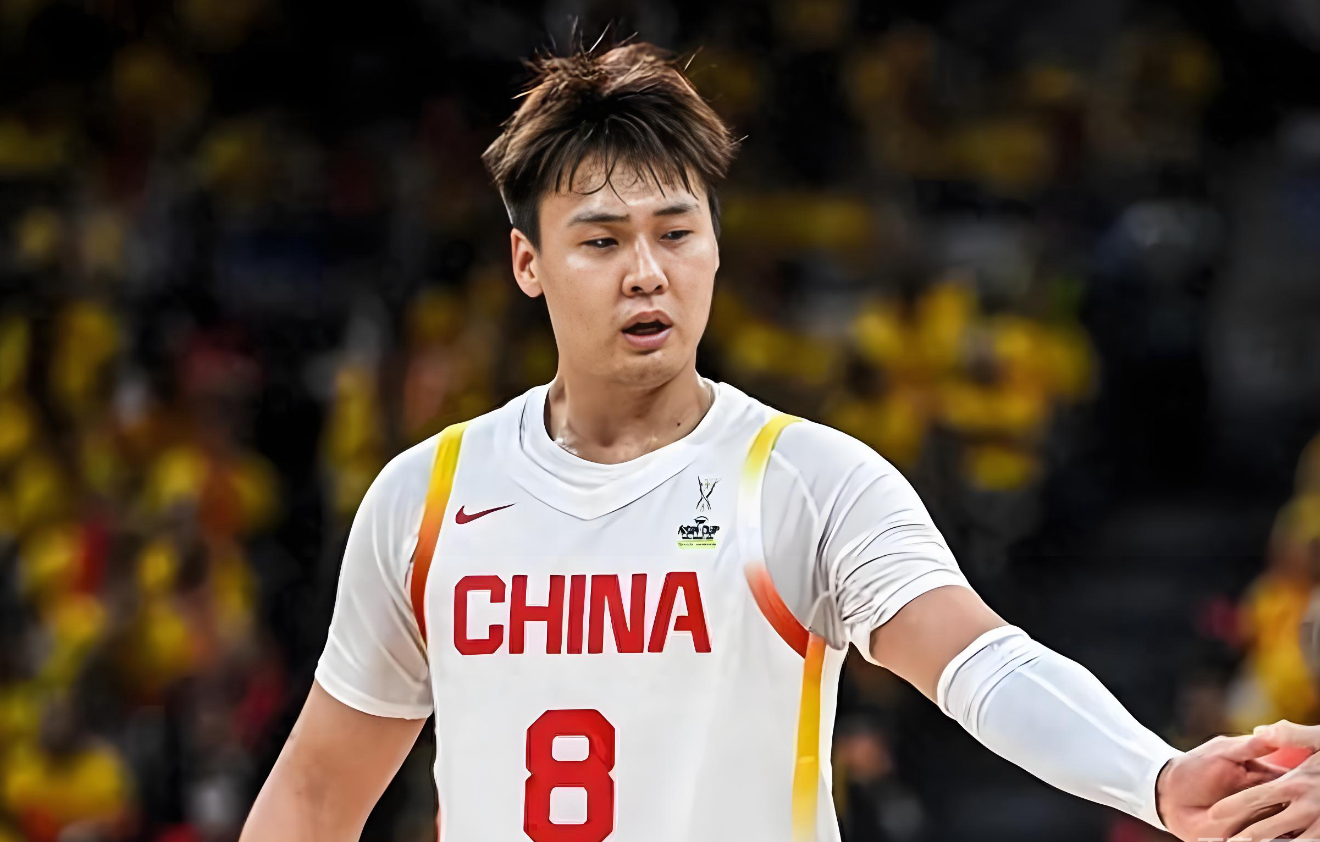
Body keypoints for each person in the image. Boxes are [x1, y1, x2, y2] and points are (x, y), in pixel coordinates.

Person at [239, 41, 1285, 842]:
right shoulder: (426, 496)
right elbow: (319, 791)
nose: (646, 272)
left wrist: (1155, 775)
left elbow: (981, 660)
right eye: (600, 240)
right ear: (527, 263)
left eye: (675, 232)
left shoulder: (806, 479)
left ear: (715, 244)